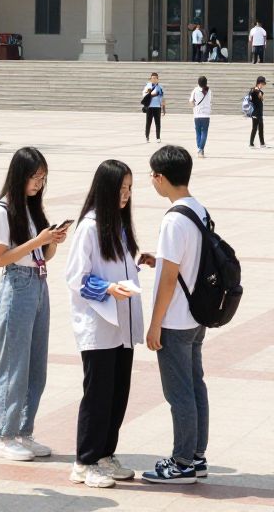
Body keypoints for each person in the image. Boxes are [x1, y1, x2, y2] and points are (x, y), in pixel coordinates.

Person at [65, 160, 143, 489]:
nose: (125, 195)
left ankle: (106, 454)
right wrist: (107, 289)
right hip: (98, 326)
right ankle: (85, 461)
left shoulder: (118, 225)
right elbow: (75, 278)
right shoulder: (89, 227)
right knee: (97, 395)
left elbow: (116, 265)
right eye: (121, 189)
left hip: (120, 325)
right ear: (106, 189)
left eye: (129, 189)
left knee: (117, 393)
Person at [0, 147, 67, 462]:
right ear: (19, 175)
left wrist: (52, 242)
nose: (38, 184)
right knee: (14, 365)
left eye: (43, 178)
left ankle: (23, 431)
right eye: (35, 177)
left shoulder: (33, 209)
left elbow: (42, 256)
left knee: (36, 365)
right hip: (16, 283)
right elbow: (0, 257)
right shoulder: (2, 210)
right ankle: (3, 435)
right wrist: (38, 241)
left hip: (38, 283)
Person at [141, 145, 209, 484]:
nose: (152, 181)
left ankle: (181, 463)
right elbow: (187, 262)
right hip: (196, 318)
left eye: (153, 175)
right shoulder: (199, 211)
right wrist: (160, 259)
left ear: (162, 178)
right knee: (195, 386)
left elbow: (169, 280)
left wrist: (155, 325)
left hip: (175, 320)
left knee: (179, 393)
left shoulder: (173, 220)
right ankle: (197, 456)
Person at [188, 76, 212, 158]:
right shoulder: (209, 91)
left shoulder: (195, 90)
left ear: (198, 82)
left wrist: (194, 106)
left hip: (197, 114)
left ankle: (199, 148)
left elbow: (191, 101)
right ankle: (201, 149)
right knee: (204, 132)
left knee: (198, 132)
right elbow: (210, 100)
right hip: (206, 115)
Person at [142, 73, 165, 143]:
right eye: (152, 78)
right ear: (150, 79)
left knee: (158, 123)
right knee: (148, 123)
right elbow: (144, 95)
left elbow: (162, 97)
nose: (154, 79)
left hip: (157, 107)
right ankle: (147, 137)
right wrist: (153, 94)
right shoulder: (147, 86)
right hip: (149, 107)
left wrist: (164, 109)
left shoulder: (160, 87)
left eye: (155, 78)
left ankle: (158, 137)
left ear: (158, 79)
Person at [249, 76, 266, 149]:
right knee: (255, 128)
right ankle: (251, 143)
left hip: (259, 113)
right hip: (255, 113)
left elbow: (261, 98)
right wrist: (255, 90)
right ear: (260, 83)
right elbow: (251, 94)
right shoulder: (254, 91)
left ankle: (262, 143)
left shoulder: (260, 92)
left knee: (261, 128)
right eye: (263, 84)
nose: (263, 86)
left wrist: (259, 91)